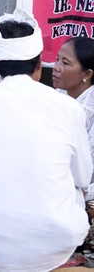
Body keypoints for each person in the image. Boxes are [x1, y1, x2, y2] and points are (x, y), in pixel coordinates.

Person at [0, 10, 92, 272]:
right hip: (56, 245)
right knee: (74, 190)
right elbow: (82, 178)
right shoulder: (69, 107)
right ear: (39, 65)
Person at [53, 37, 94, 200]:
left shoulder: (89, 109)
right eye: (57, 59)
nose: (56, 68)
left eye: (65, 63)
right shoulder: (57, 96)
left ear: (87, 74)